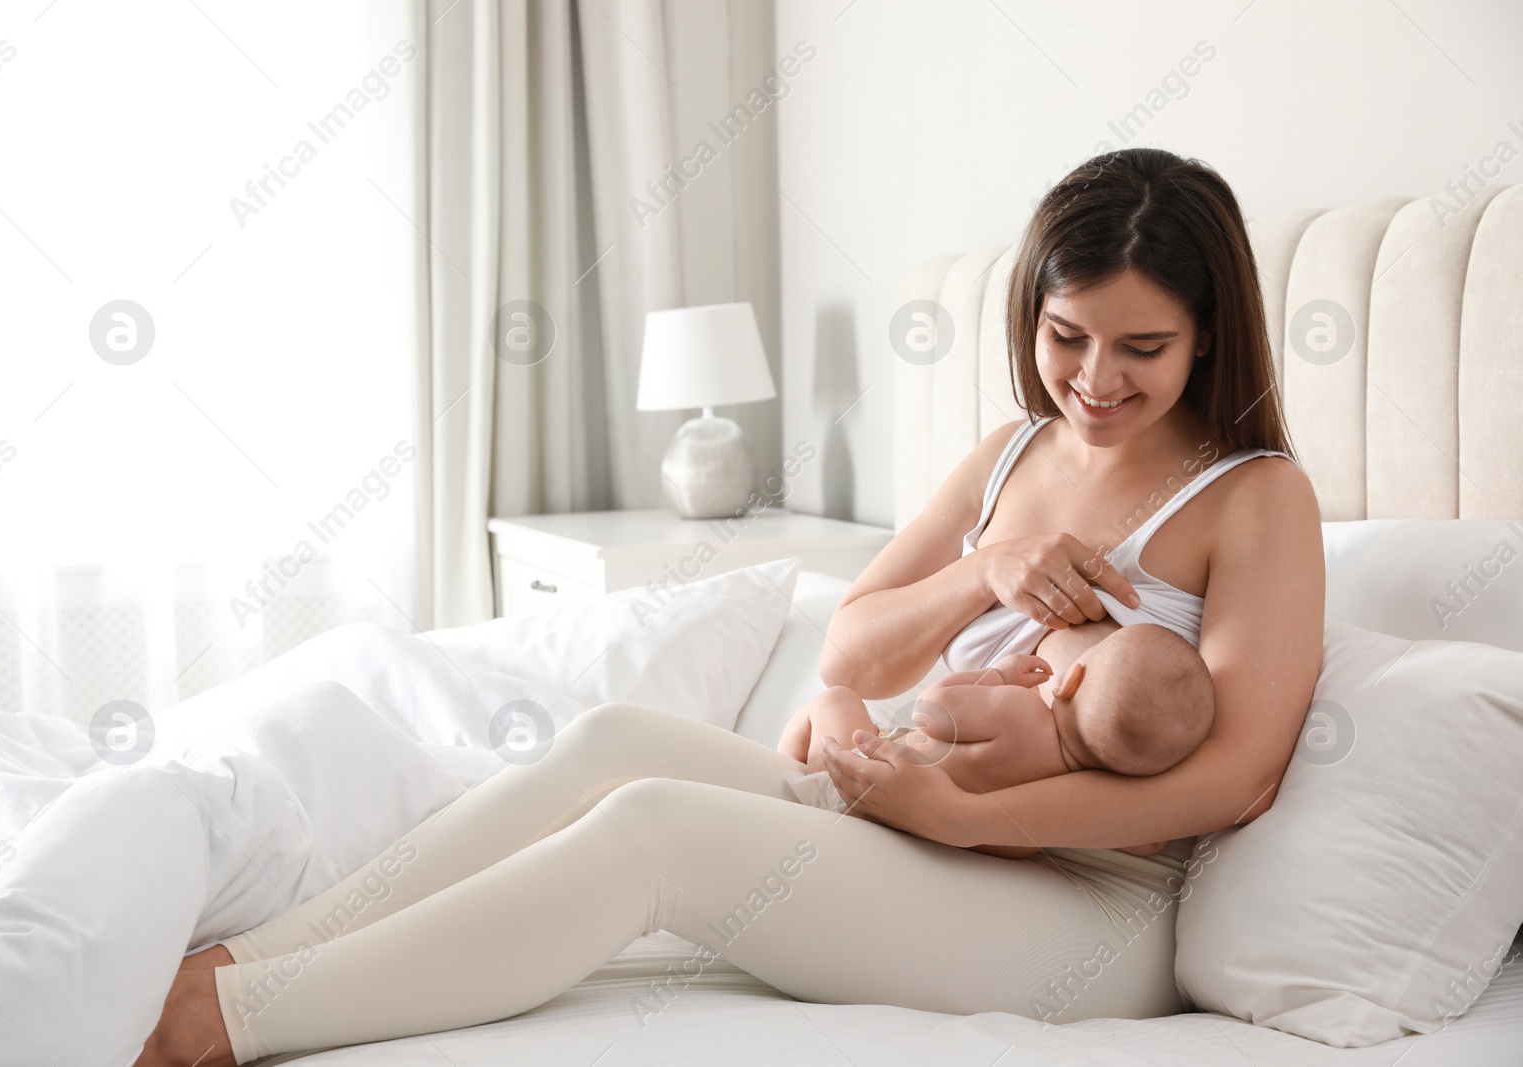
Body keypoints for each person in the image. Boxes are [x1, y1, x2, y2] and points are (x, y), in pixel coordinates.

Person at [135, 146, 1324, 1066]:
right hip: (918, 810)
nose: (1095, 380)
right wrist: (987, 568)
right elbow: (852, 643)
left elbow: (1238, 777)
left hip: (1091, 904)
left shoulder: (1254, 497)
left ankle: (220, 1022)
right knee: (608, 739)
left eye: (1142, 348)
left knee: (656, 828)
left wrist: (955, 820)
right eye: (1066, 336)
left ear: (1207, 335)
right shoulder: (1013, 452)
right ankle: (234, 963)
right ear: (1030, 317)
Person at [779, 621, 1215, 818]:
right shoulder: (1060, 798)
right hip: (908, 830)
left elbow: (929, 712)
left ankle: (784, 771)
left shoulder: (1020, 711)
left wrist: (997, 676)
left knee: (834, 699)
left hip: (856, 780)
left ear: (1071, 678)